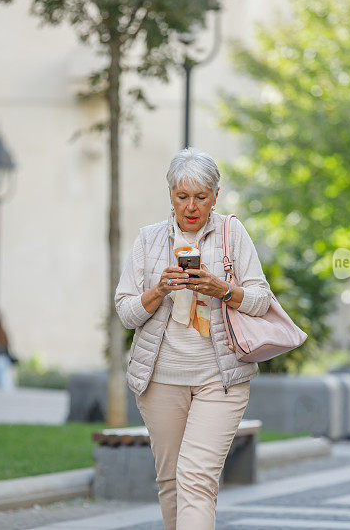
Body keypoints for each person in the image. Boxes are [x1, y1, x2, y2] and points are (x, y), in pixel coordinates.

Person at [114, 147, 271, 529]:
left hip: (220, 379)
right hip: (160, 379)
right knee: (171, 482)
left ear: (215, 196)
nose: (191, 206)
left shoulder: (232, 235)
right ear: (170, 194)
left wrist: (222, 289)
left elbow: (261, 299)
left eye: (200, 197)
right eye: (182, 196)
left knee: (196, 479)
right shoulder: (148, 241)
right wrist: (158, 290)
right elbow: (126, 313)